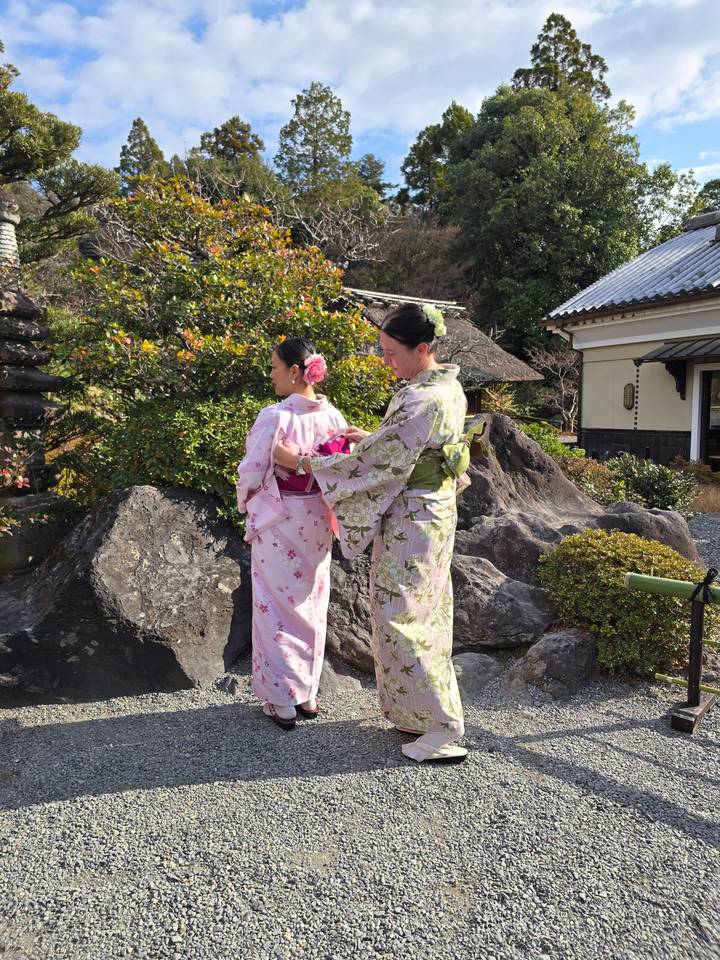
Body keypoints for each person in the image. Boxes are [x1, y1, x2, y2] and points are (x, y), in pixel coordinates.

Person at [275, 303, 470, 763]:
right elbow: (403, 445)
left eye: (391, 353)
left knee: (402, 612)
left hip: (415, 516)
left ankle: (443, 726)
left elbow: (379, 463)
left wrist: (302, 462)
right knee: (424, 610)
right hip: (430, 511)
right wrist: (374, 438)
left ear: (422, 349)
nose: (386, 361)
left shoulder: (425, 397)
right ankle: (415, 712)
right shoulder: (446, 386)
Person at [236, 337, 350, 730]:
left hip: (280, 519)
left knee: (273, 605)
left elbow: (251, 471)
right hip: (318, 517)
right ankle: (308, 693)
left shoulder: (275, 416)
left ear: (295, 371)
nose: (270, 374)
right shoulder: (333, 416)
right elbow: (341, 469)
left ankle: (281, 700)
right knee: (310, 605)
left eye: (274, 367)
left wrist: (246, 499)